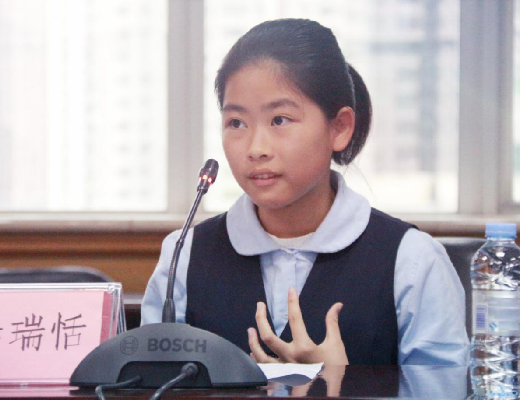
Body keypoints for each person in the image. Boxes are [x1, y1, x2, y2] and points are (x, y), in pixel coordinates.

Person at [141, 18, 468, 366]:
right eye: (236, 123)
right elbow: (149, 380)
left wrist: (339, 382)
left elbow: (444, 385)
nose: (255, 148)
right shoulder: (184, 255)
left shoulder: (412, 260)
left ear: (339, 128)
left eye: (279, 120)